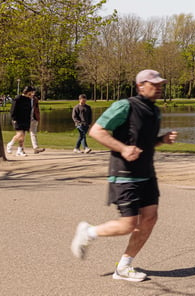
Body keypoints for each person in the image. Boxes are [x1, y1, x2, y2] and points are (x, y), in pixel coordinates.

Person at [70, 69, 178, 282]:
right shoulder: (125, 106)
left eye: (160, 85)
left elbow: (144, 141)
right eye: (154, 84)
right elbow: (96, 131)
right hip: (124, 174)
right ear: (140, 85)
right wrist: (123, 149)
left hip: (147, 173)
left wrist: (161, 140)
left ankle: (124, 266)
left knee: (150, 219)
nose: (158, 88)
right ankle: (88, 232)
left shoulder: (154, 111)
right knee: (128, 224)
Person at [6, 86, 35, 157]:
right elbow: (13, 109)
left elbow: (29, 110)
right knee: (19, 134)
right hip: (18, 119)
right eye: (31, 92)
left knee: (22, 136)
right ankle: (10, 144)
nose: (32, 94)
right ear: (28, 92)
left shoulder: (29, 99)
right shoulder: (18, 98)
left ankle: (20, 150)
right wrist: (14, 118)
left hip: (25, 119)